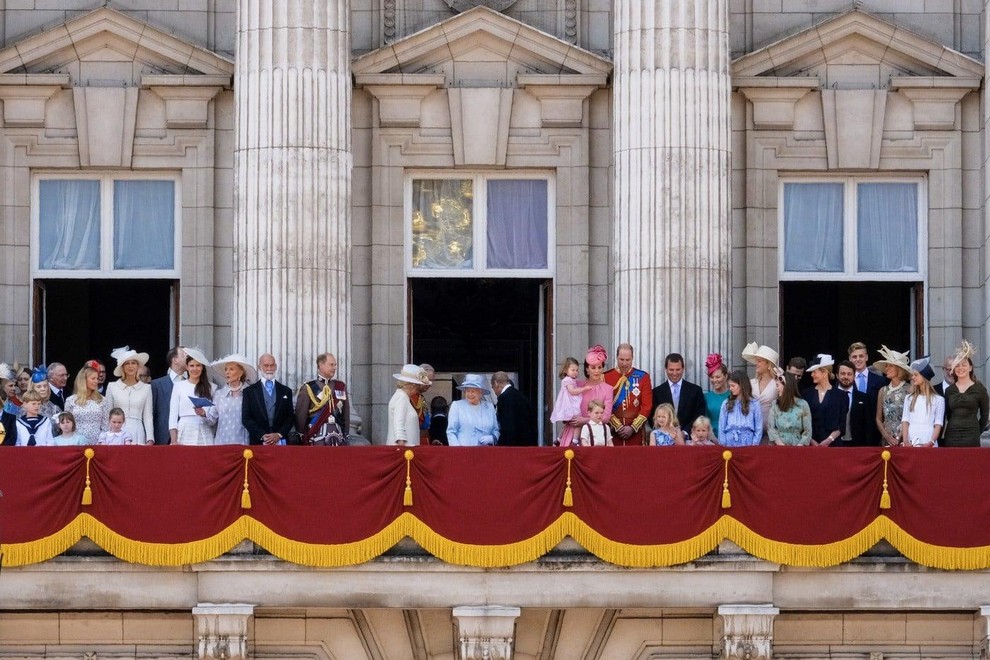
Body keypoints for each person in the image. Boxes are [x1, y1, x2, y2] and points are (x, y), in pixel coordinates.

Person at [562, 345, 614, 446]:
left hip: (596, 436)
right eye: (593, 367)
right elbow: (565, 402)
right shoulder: (577, 385)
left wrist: (583, 420)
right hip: (573, 433)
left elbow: (606, 417)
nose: (597, 371)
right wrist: (565, 415)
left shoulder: (608, 389)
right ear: (587, 369)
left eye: (600, 367)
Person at [941, 340, 990, 447]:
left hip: (972, 437)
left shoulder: (980, 389)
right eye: (957, 366)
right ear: (953, 369)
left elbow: (985, 415)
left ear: (970, 367)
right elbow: (948, 414)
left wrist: (976, 431)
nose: (960, 368)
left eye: (964, 365)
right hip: (952, 437)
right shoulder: (950, 390)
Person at [295, 353, 350, 445]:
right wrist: (302, 435)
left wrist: (346, 434)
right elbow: (301, 415)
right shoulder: (308, 387)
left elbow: (345, 414)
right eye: (331, 365)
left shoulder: (340, 386)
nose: (334, 368)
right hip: (316, 436)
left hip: (338, 436)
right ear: (321, 365)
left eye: (335, 365)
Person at [604, 343, 653, 446]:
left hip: (636, 433)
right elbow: (603, 405)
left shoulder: (643, 377)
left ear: (632, 358)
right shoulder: (606, 377)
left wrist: (633, 427)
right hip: (612, 433)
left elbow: (647, 406)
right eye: (621, 359)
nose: (625, 363)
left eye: (628, 360)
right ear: (616, 357)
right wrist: (617, 426)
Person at [242, 353, 296, 446]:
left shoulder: (286, 391)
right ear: (260, 367)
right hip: (258, 442)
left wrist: (279, 434)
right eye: (266, 365)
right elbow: (246, 418)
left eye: (272, 365)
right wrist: (262, 435)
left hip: (280, 442)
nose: (269, 369)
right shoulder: (249, 391)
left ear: (275, 367)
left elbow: (290, 417)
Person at [168, 347, 216, 445]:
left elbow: (213, 419)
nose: (195, 369)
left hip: (204, 432)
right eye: (192, 365)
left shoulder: (212, 387)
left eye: (198, 365)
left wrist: (204, 414)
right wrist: (174, 440)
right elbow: (172, 416)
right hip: (184, 432)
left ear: (202, 368)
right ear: (187, 367)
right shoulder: (178, 386)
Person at [106, 346, 154, 445]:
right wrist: (107, 435)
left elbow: (148, 416)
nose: (130, 366)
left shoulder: (146, 388)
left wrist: (150, 438)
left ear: (138, 366)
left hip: (138, 431)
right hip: (116, 432)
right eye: (127, 363)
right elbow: (108, 414)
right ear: (122, 367)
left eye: (133, 363)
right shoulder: (112, 386)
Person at [206, 353, 256, 445]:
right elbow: (211, 420)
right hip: (222, 442)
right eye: (226, 369)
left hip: (243, 442)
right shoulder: (219, 394)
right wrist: (203, 414)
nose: (227, 372)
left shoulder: (249, 393)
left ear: (241, 372)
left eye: (231, 369)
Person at [651, 353, 706, 433]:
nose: (674, 373)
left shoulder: (696, 391)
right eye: (671, 370)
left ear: (683, 369)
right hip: (665, 438)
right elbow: (653, 417)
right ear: (665, 369)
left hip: (690, 439)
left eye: (678, 369)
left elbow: (699, 415)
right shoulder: (656, 392)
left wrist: (685, 433)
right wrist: (666, 432)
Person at [801, 355, 845, 447]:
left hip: (833, 446)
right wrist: (811, 441)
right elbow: (802, 421)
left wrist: (829, 440)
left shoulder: (841, 395)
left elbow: (841, 424)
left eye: (814, 372)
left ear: (824, 373)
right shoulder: (807, 394)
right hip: (811, 446)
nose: (812, 375)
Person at [835, 360, 881, 446]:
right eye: (843, 374)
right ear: (837, 375)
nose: (846, 377)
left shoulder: (864, 398)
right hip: (834, 445)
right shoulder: (830, 395)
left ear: (854, 376)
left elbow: (869, 427)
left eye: (849, 374)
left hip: (857, 446)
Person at [901, 356, 944, 448]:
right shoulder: (909, 398)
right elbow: (905, 420)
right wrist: (905, 441)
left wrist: (931, 442)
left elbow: (938, 423)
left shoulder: (939, 400)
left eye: (916, 375)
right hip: (911, 438)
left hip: (928, 438)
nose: (913, 377)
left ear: (924, 376)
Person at [873, 345, 911, 448]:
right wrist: (887, 436)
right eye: (887, 365)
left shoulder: (909, 389)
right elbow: (878, 418)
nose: (887, 368)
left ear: (899, 369)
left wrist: (899, 437)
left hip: (905, 440)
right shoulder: (883, 390)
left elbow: (911, 416)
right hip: (886, 441)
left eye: (891, 366)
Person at [447, 374, 499, 446]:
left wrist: (492, 438)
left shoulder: (489, 407)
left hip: (486, 452)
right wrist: (457, 452)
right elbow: (451, 432)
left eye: (473, 391)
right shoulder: (457, 406)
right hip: (464, 453)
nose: (470, 394)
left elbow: (496, 430)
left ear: (481, 393)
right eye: (468, 391)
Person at [64, 364, 111, 444]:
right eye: (93, 378)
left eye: (97, 378)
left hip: (98, 443)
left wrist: (102, 442)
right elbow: (67, 424)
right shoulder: (70, 400)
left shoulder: (103, 400)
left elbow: (106, 426)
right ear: (83, 380)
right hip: (76, 443)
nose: (96, 381)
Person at [387, 364, 432, 446]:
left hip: (408, 450)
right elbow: (398, 423)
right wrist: (401, 444)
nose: (418, 389)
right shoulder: (402, 397)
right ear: (413, 386)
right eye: (418, 386)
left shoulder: (403, 397)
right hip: (404, 451)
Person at [742, 342, 779, 437]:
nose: (756, 364)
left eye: (759, 361)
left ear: (768, 364)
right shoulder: (751, 383)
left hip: (772, 431)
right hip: (752, 430)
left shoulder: (778, 383)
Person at [550, 357, 591, 445]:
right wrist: (584, 389)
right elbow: (572, 391)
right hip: (570, 405)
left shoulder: (571, 380)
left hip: (570, 404)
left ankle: (559, 439)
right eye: (573, 370)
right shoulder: (567, 380)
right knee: (578, 423)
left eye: (577, 370)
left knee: (568, 424)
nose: (575, 372)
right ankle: (575, 441)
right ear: (566, 370)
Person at [151, 347, 187, 445]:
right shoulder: (156, 384)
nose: (188, 358)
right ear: (175, 360)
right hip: (162, 438)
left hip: (186, 436)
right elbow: (151, 414)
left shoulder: (191, 384)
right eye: (185, 355)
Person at [718, 371, 762, 447]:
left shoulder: (754, 404)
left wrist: (754, 445)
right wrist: (723, 445)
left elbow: (758, 428)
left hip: (748, 443)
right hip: (730, 443)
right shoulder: (726, 403)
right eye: (729, 386)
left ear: (742, 385)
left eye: (733, 386)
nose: (730, 388)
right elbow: (721, 426)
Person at [491, 371, 535, 446]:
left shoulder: (504, 398)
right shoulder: (522, 396)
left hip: (511, 446)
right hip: (526, 444)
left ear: (495, 383)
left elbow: (507, 425)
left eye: (493, 388)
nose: (494, 392)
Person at [768, 372, 812, 446]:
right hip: (778, 447)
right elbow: (771, 428)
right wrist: (781, 445)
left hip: (798, 448)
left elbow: (807, 430)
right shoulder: (775, 404)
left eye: (777, 385)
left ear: (786, 386)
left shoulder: (803, 404)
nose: (776, 388)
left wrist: (799, 446)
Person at [704, 353, 730, 439]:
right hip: (711, 439)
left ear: (726, 376)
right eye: (712, 377)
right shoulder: (706, 397)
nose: (714, 380)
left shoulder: (734, 395)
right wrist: (714, 440)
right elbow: (704, 422)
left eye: (718, 377)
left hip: (732, 438)